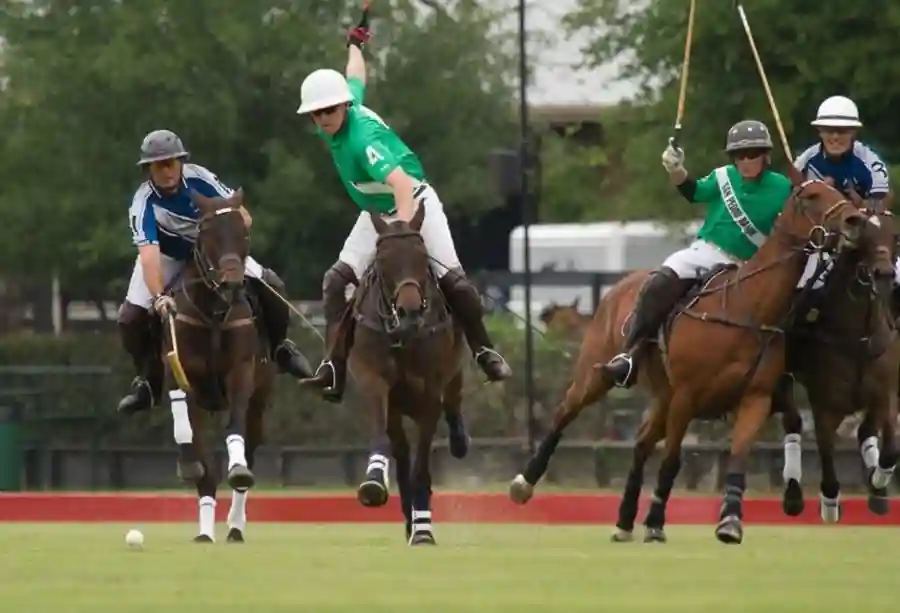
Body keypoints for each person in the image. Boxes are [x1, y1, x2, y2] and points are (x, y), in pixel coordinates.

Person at [295, 20, 512, 402]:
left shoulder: (363, 140)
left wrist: (405, 231)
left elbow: (402, 184)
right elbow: (355, 76)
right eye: (316, 113)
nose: (324, 118)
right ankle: (333, 366)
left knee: (455, 283)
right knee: (334, 282)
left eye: (329, 110)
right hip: (376, 213)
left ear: (342, 106)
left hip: (415, 205)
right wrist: (355, 44)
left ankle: (483, 350)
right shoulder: (349, 107)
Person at [116, 129, 313, 414]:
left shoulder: (199, 178)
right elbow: (149, 257)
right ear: (149, 169)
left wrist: (229, 240)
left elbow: (242, 215)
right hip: (168, 255)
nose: (169, 170)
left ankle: (281, 348)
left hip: (214, 252)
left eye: (173, 162)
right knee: (129, 317)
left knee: (271, 283)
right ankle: (147, 381)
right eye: (161, 165)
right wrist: (159, 296)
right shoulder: (143, 202)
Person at [599, 120, 793, 388]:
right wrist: (676, 170)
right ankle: (631, 355)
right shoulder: (724, 176)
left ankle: (782, 377)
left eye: (753, 153)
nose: (746, 160)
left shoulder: (783, 187)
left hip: (748, 266)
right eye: (739, 155)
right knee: (660, 281)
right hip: (707, 253)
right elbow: (693, 193)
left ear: (766, 155)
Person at [793, 95, 895, 291]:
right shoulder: (806, 161)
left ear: (854, 132)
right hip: (821, 239)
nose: (835, 137)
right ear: (819, 131)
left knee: (896, 272)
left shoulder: (870, 162)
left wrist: (857, 206)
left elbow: (879, 206)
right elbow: (794, 202)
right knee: (803, 283)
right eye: (829, 130)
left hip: (864, 236)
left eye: (842, 131)